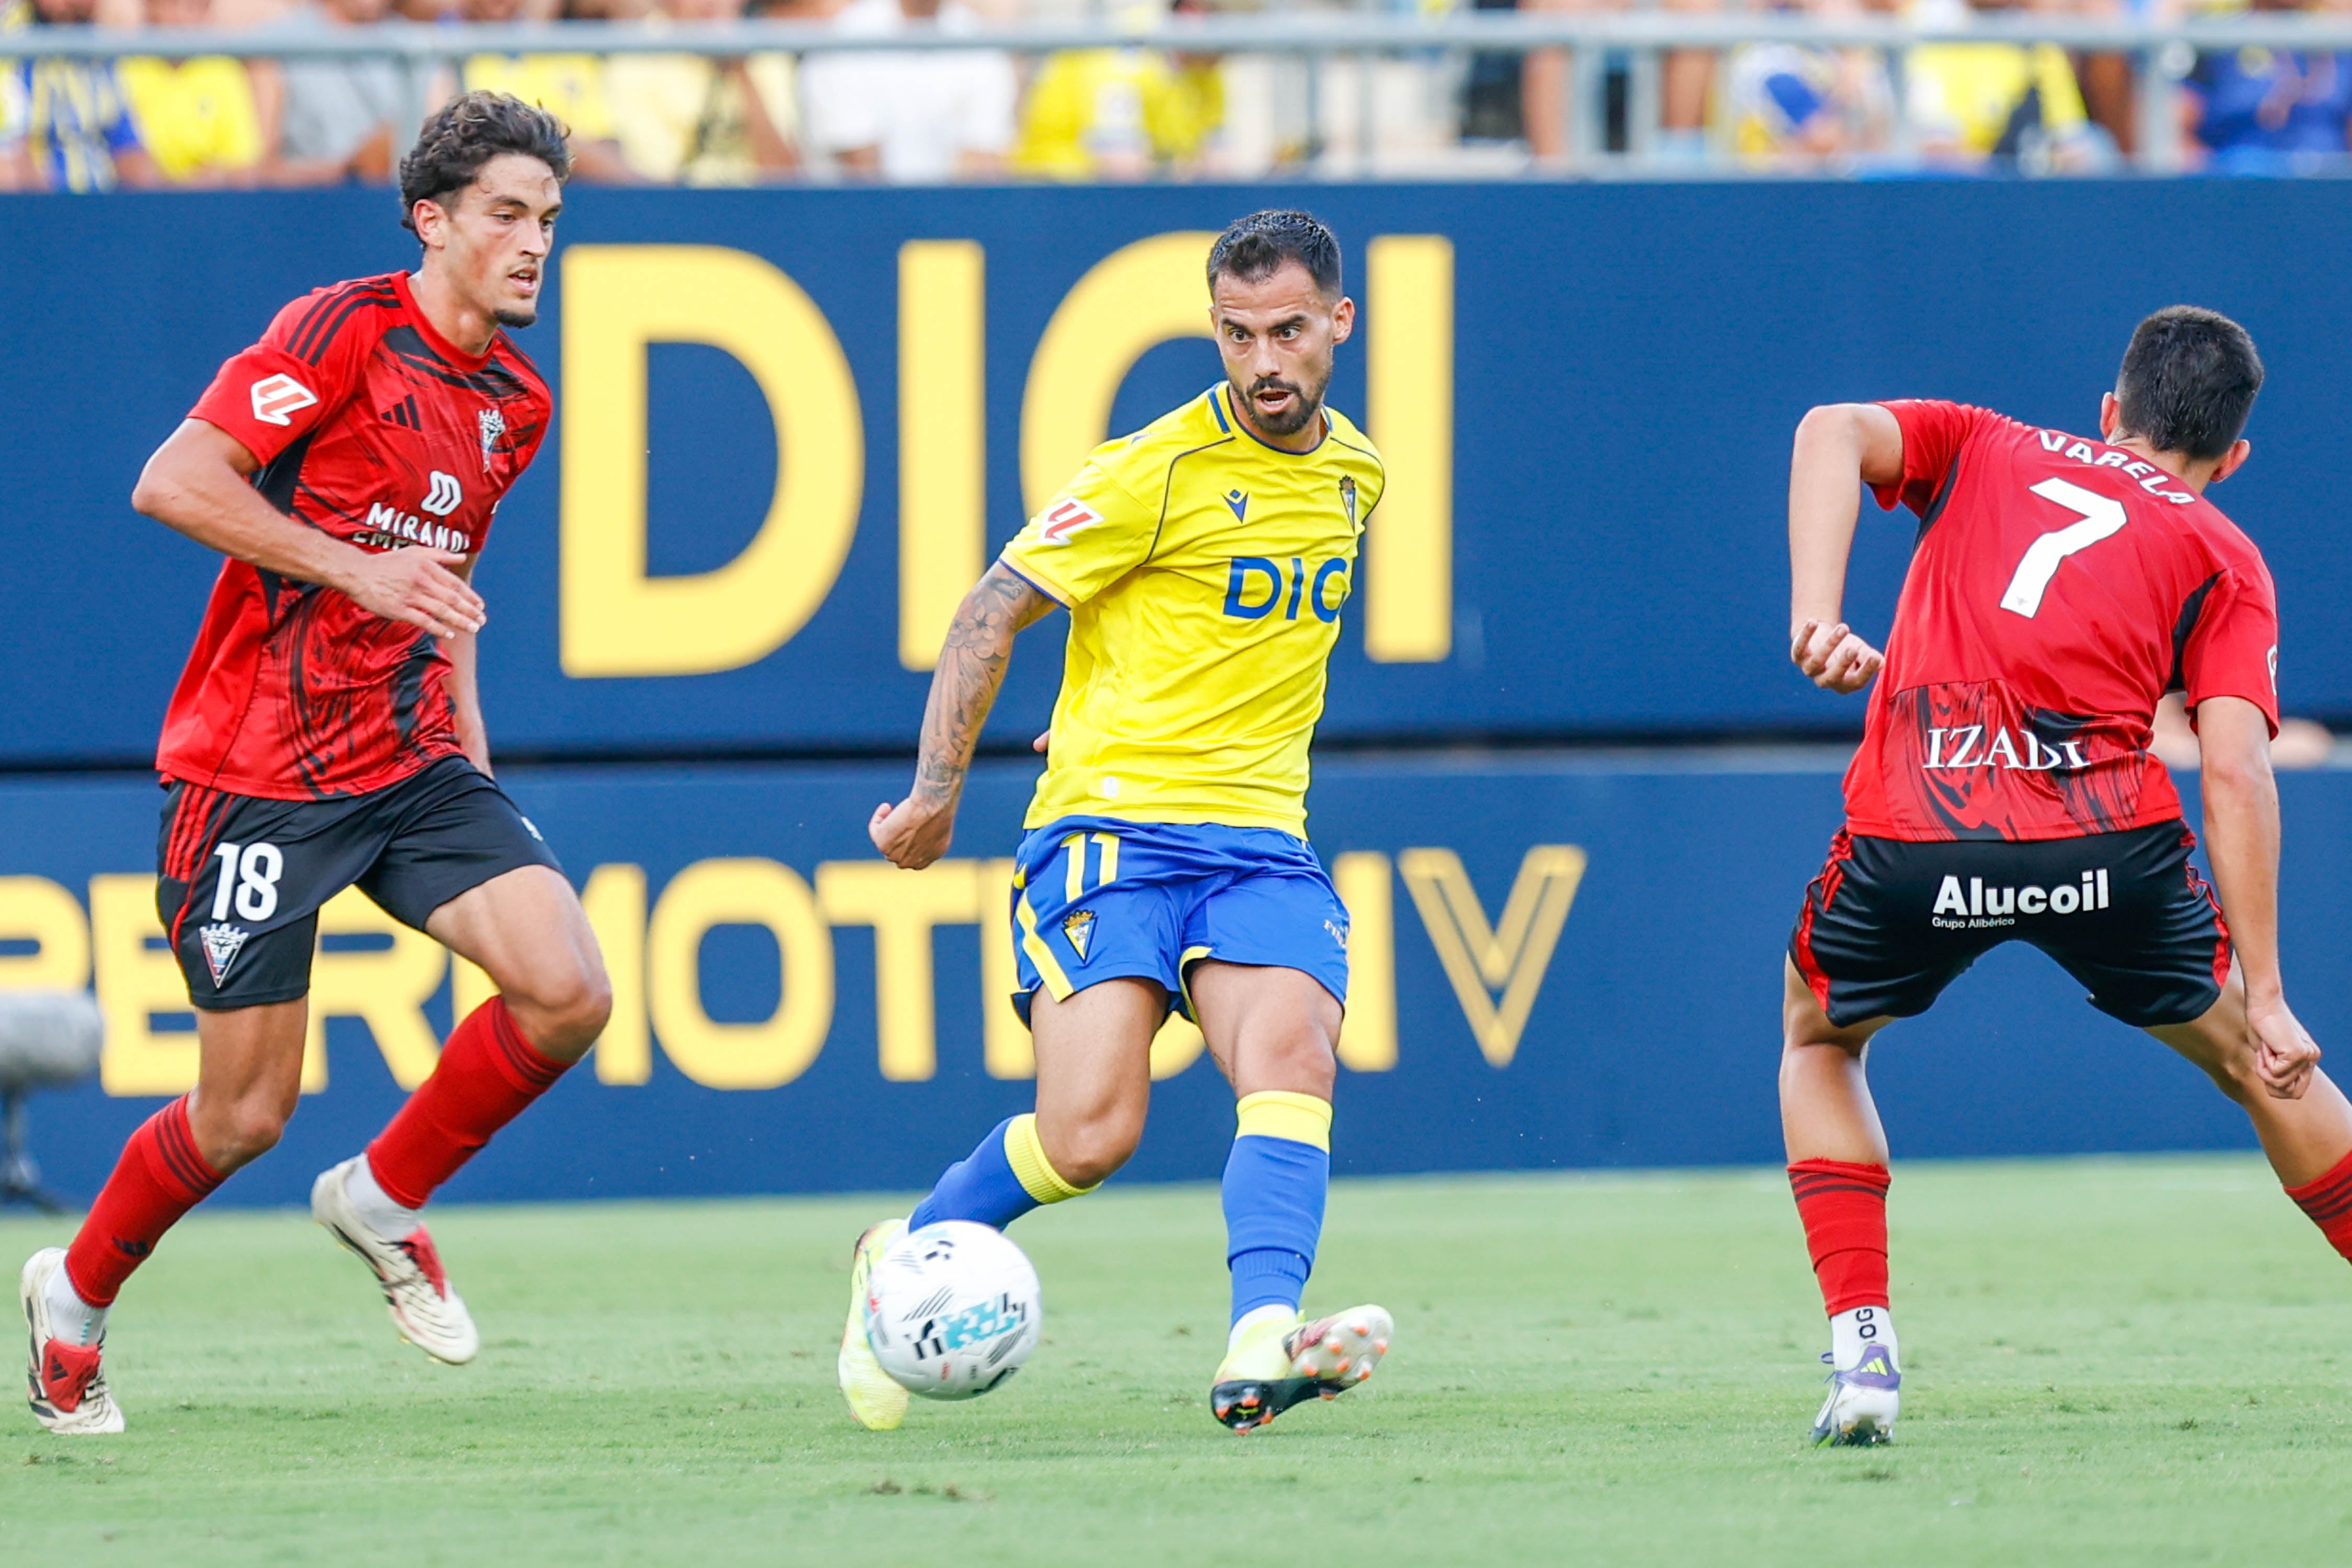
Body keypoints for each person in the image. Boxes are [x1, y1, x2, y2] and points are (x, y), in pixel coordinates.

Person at [19, 91, 614, 1437]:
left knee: (569, 991)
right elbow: (174, 481)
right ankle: (73, 1298)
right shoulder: (341, 331)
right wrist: (361, 565)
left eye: (550, 221)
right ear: (434, 220)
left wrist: (471, 747)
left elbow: (443, 584)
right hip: (252, 771)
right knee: (240, 1116)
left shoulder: (516, 402)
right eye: (507, 216)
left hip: (406, 758)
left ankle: (387, 1194)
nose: (534, 245)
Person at [843, 210, 1393, 1435]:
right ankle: (909, 1253)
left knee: (1292, 1053)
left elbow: (1234, 641)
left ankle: (1259, 1339)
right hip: (1111, 833)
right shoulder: (1147, 468)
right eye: (1236, 333)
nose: (1261, 361)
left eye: (1287, 332)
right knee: (1090, 1132)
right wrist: (935, 797)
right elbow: (989, 613)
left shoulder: (1356, 472)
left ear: (1337, 325)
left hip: (1257, 838)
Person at [1780, 306, 2350, 1447]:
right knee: (2262, 1063)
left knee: (1819, 1040)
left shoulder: (1986, 444)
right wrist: (2272, 992)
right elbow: (2236, 773)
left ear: (2110, 411)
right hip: (2109, 851)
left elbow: (1830, 429)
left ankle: (1865, 1354)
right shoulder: (2225, 553)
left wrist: (1817, 616)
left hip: (1918, 836)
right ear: (2231, 460)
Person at [797, 0, 1013, 181]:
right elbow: (860, 170)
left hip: (948, 221)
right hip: (851, 219)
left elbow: (982, 163)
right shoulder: (844, 35)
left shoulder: (979, 38)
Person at [603, 0, 797, 185]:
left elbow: (783, 174)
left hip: (761, 209)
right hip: (678, 211)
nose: (710, 2)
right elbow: (657, 180)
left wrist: (741, 71)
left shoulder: (768, 48)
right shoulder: (635, 52)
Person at [1, 0, 162, 191]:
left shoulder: (102, 47)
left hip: (104, 206)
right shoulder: (12, 46)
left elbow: (130, 152)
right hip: (36, 208)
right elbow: (13, 158)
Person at [117, 0, 271, 187]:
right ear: (149, 8)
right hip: (139, 201)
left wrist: (208, 178)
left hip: (210, 202)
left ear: (207, 13)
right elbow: (125, 160)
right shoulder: (124, 69)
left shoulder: (223, 71)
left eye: (194, 6)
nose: (180, 18)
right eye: (170, 5)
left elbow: (243, 165)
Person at [272, 0, 412, 187]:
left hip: (398, 198)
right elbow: (261, 169)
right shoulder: (273, 46)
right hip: (307, 201)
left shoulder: (421, 43)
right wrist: (347, 170)